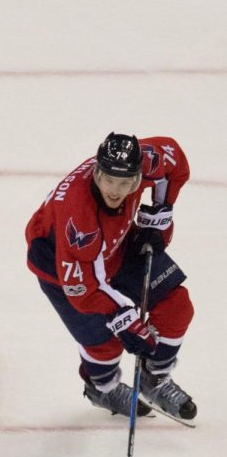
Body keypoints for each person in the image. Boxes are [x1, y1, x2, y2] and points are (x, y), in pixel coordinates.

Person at [25, 132, 196, 420]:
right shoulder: (79, 220)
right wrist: (124, 319)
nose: (115, 191)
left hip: (115, 246)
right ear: (96, 173)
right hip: (62, 269)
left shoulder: (148, 160)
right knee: (107, 341)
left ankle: (154, 378)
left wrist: (158, 214)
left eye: (125, 183)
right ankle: (101, 387)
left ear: (138, 177)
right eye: (108, 181)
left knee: (176, 306)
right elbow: (84, 290)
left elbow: (174, 159)